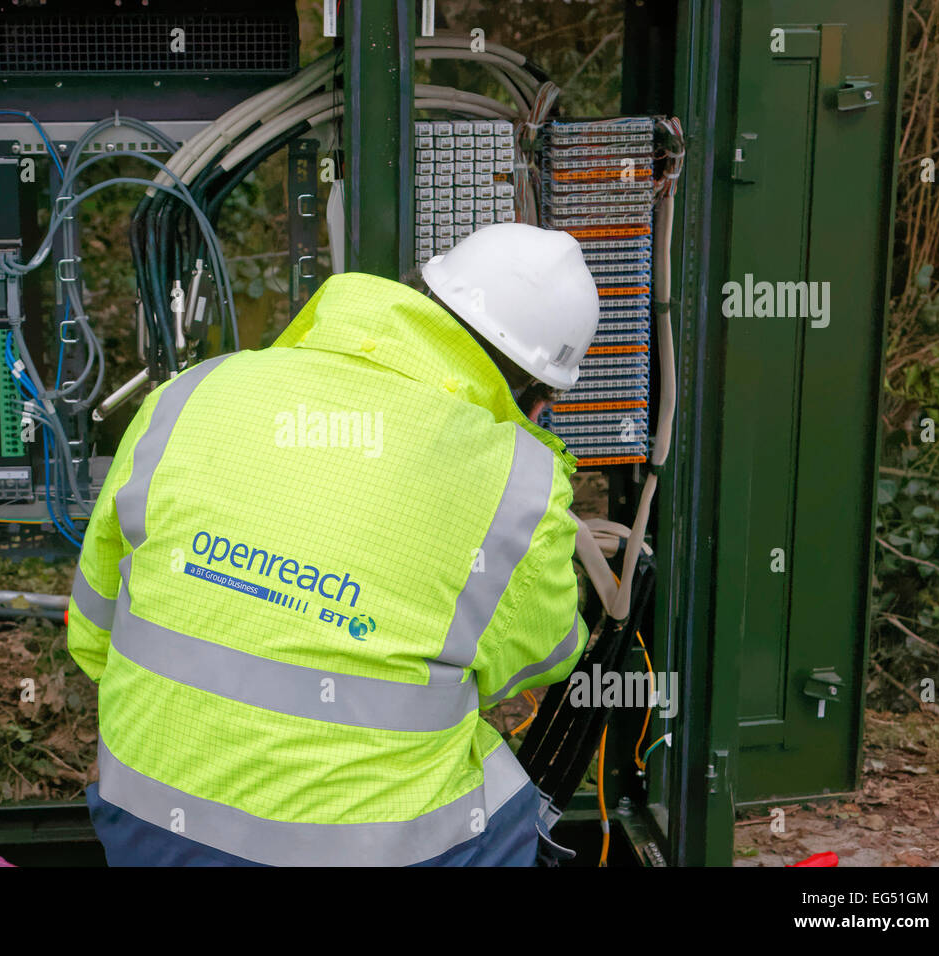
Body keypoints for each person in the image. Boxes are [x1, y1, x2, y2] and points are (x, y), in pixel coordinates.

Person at [68, 223, 600, 866]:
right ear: (534, 402)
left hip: (145, 823)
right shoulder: (522, 486)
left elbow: (93, 632)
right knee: (511, 795)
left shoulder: (189, 394)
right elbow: (545, 656)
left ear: (416, 294)